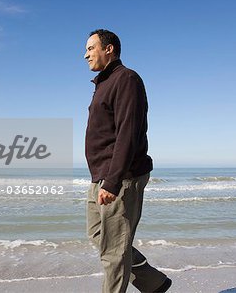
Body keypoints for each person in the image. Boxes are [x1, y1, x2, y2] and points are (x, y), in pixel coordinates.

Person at [84, 29, 172, 293]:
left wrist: (113, 181)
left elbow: (128, 132)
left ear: (108, 49)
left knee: (113, 252)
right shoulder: (103, 83)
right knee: (99, 236)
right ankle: (152, 282)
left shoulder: (127, 79)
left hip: (120, 175)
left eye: (91, 48)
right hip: (100, 174)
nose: (86, 54)